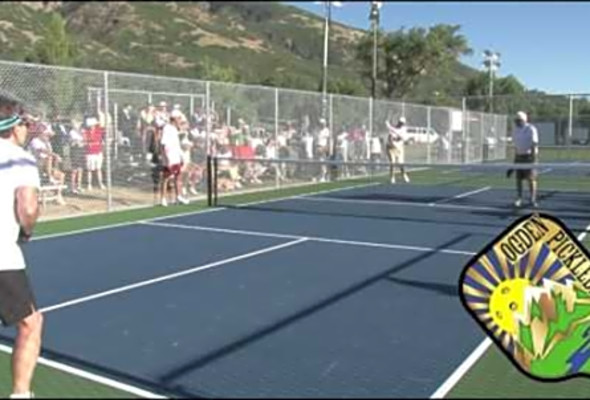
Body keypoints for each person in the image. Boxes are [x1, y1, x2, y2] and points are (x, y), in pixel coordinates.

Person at [0, 92, 43, 399]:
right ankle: (20, 394)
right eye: (26, 123)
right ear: (15, 126)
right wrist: (26, 232)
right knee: (30, 324)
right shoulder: (20, 158)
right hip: (2, 257)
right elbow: (27, 208)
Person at [511, 111, 539, 208]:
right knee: (518, 179)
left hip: (529, 157)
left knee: (531, 179)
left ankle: (532, 199)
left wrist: (533, 160)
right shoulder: (515, 130)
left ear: (524, 120)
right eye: (516, 120)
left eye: (518, 120)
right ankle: (519, 198)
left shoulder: (531, 129)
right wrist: (514, 163)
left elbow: (534, 144)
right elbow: (516, 147)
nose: (517, 122)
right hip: (519, 156)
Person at [385, 116, 410, 184]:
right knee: (392, 163)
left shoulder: (403, 130)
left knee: (401, 163)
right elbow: (391, 138)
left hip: (399, 148)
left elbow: (403, 138)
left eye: (402, 123)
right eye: (400, 122)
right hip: (391, 148)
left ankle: (404, 175)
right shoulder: (392, 130)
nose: (400, 124)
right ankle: (392, 177)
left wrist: (401, 139)